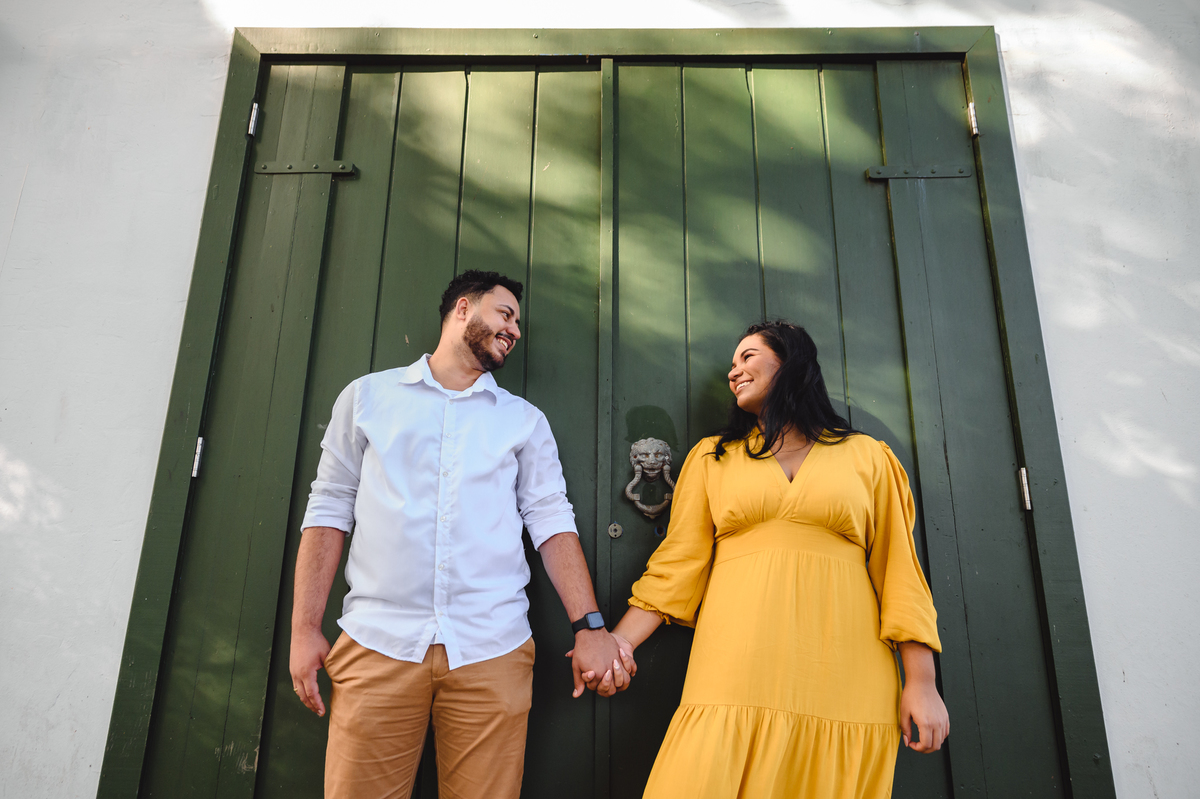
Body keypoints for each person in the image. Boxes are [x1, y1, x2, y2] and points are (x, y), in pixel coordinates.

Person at [289, 270, 630, 799]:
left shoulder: (524, 421)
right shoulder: (367, 398)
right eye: (505, 314)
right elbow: (329, 508)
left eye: (518, 323)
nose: (515, 330)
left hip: (493, 649)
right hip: (377, 642)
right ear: (463, 309)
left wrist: (589, 627)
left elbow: (552, 522)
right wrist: (304, 628)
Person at [609, 320, 949, 799]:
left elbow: (900, 573)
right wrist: (618, 645)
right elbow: (677, 566)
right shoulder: (714, 457)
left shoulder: (868, 457)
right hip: (737, 666)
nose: (734, 372)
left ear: (790, 363)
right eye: (732, 364)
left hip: (847, 675)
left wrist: (922, 682)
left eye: (747, 357)